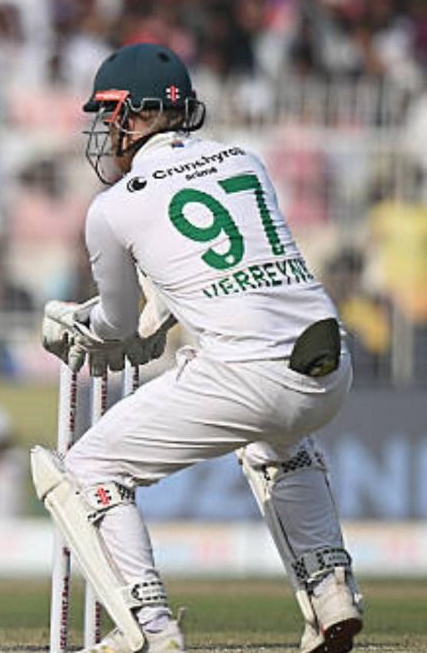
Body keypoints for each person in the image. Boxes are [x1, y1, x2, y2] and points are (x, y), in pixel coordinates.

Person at [34, 43, 362, 653]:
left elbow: (119, 327)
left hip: (249, 373)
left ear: (133, 115)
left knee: (87, 468)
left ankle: (147, 627)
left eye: (109, 115)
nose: (105, 130)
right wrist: (162, 313)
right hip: (327, 358)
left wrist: (76, 326)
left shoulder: (113, 207)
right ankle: (329, 590)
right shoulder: (245, 159)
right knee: (278, 439)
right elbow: (225, 266)